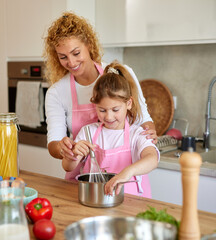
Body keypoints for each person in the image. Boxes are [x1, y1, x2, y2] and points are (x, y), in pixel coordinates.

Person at [43, 12, 157, 165]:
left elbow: (144, 119)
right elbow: (53, 144)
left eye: (76, 53)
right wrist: (63, 148)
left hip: (126, 172)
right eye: (63, 57)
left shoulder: (121, 74)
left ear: (89, 45)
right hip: (82, 178)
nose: (71, 62)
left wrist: (149, 135)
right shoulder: (56, 92)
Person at [62, 61, 159, 198]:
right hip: (96, 200)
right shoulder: (88, 132)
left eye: (115, 109)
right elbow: (68, 167)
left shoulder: (137, 134)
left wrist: (128, 172)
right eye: (102, 110)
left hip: (132, 203)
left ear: (129, 103)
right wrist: (73, 155)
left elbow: (152, 159)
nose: (109, 116)